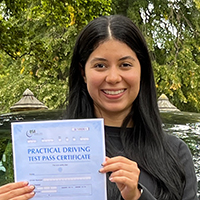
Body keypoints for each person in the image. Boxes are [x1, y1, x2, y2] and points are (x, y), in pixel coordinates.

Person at [0, 15, 198, 200]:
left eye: (125, 65)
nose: (113, 78)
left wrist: (138, 196)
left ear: (142, 71)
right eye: (100, 66)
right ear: (83, 72)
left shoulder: (175, 153)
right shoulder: (44, 148)